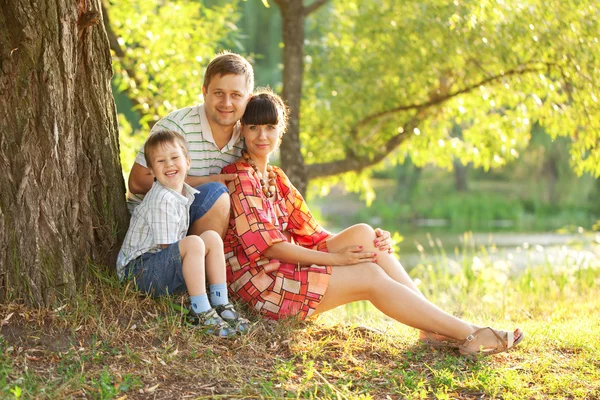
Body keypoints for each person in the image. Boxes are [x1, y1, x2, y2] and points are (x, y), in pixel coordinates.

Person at [221, 88, 524, 356]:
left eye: (270, 127)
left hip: (285, 271)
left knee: (365, 234)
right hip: (264, 288)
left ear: (280, 130)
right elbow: (271, 248)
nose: (262, 136)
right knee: (368, 275)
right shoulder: (240, 176)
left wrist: (371, 246)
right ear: (243, 131)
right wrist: (336, 260)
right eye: (254, 127)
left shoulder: (276, 178)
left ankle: (433, 328)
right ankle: (468, 333)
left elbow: (312, 234)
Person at [117, 130, 249, 337]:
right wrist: (194, 259)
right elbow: (169, 249)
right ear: (151, 170)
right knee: (194, 243)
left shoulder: (184, 193)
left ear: (187, 162)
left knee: (212, 238)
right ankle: (200, 310)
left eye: (175, 158)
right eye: (160, 161)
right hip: (138, 273)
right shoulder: (162, 199)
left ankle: (221, 301)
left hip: (157, 265)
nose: (169, 164)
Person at [127, 51, 254, 238]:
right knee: (216, 193)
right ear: (204, 92)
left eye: (235, 95)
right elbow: (137, 182)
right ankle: (196, 265)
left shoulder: (248, 135)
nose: (226, 103)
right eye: (219, 93)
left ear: (248, 99)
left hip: (200, 224)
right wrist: (207, 181)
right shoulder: (176, 127)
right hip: (156, 230)